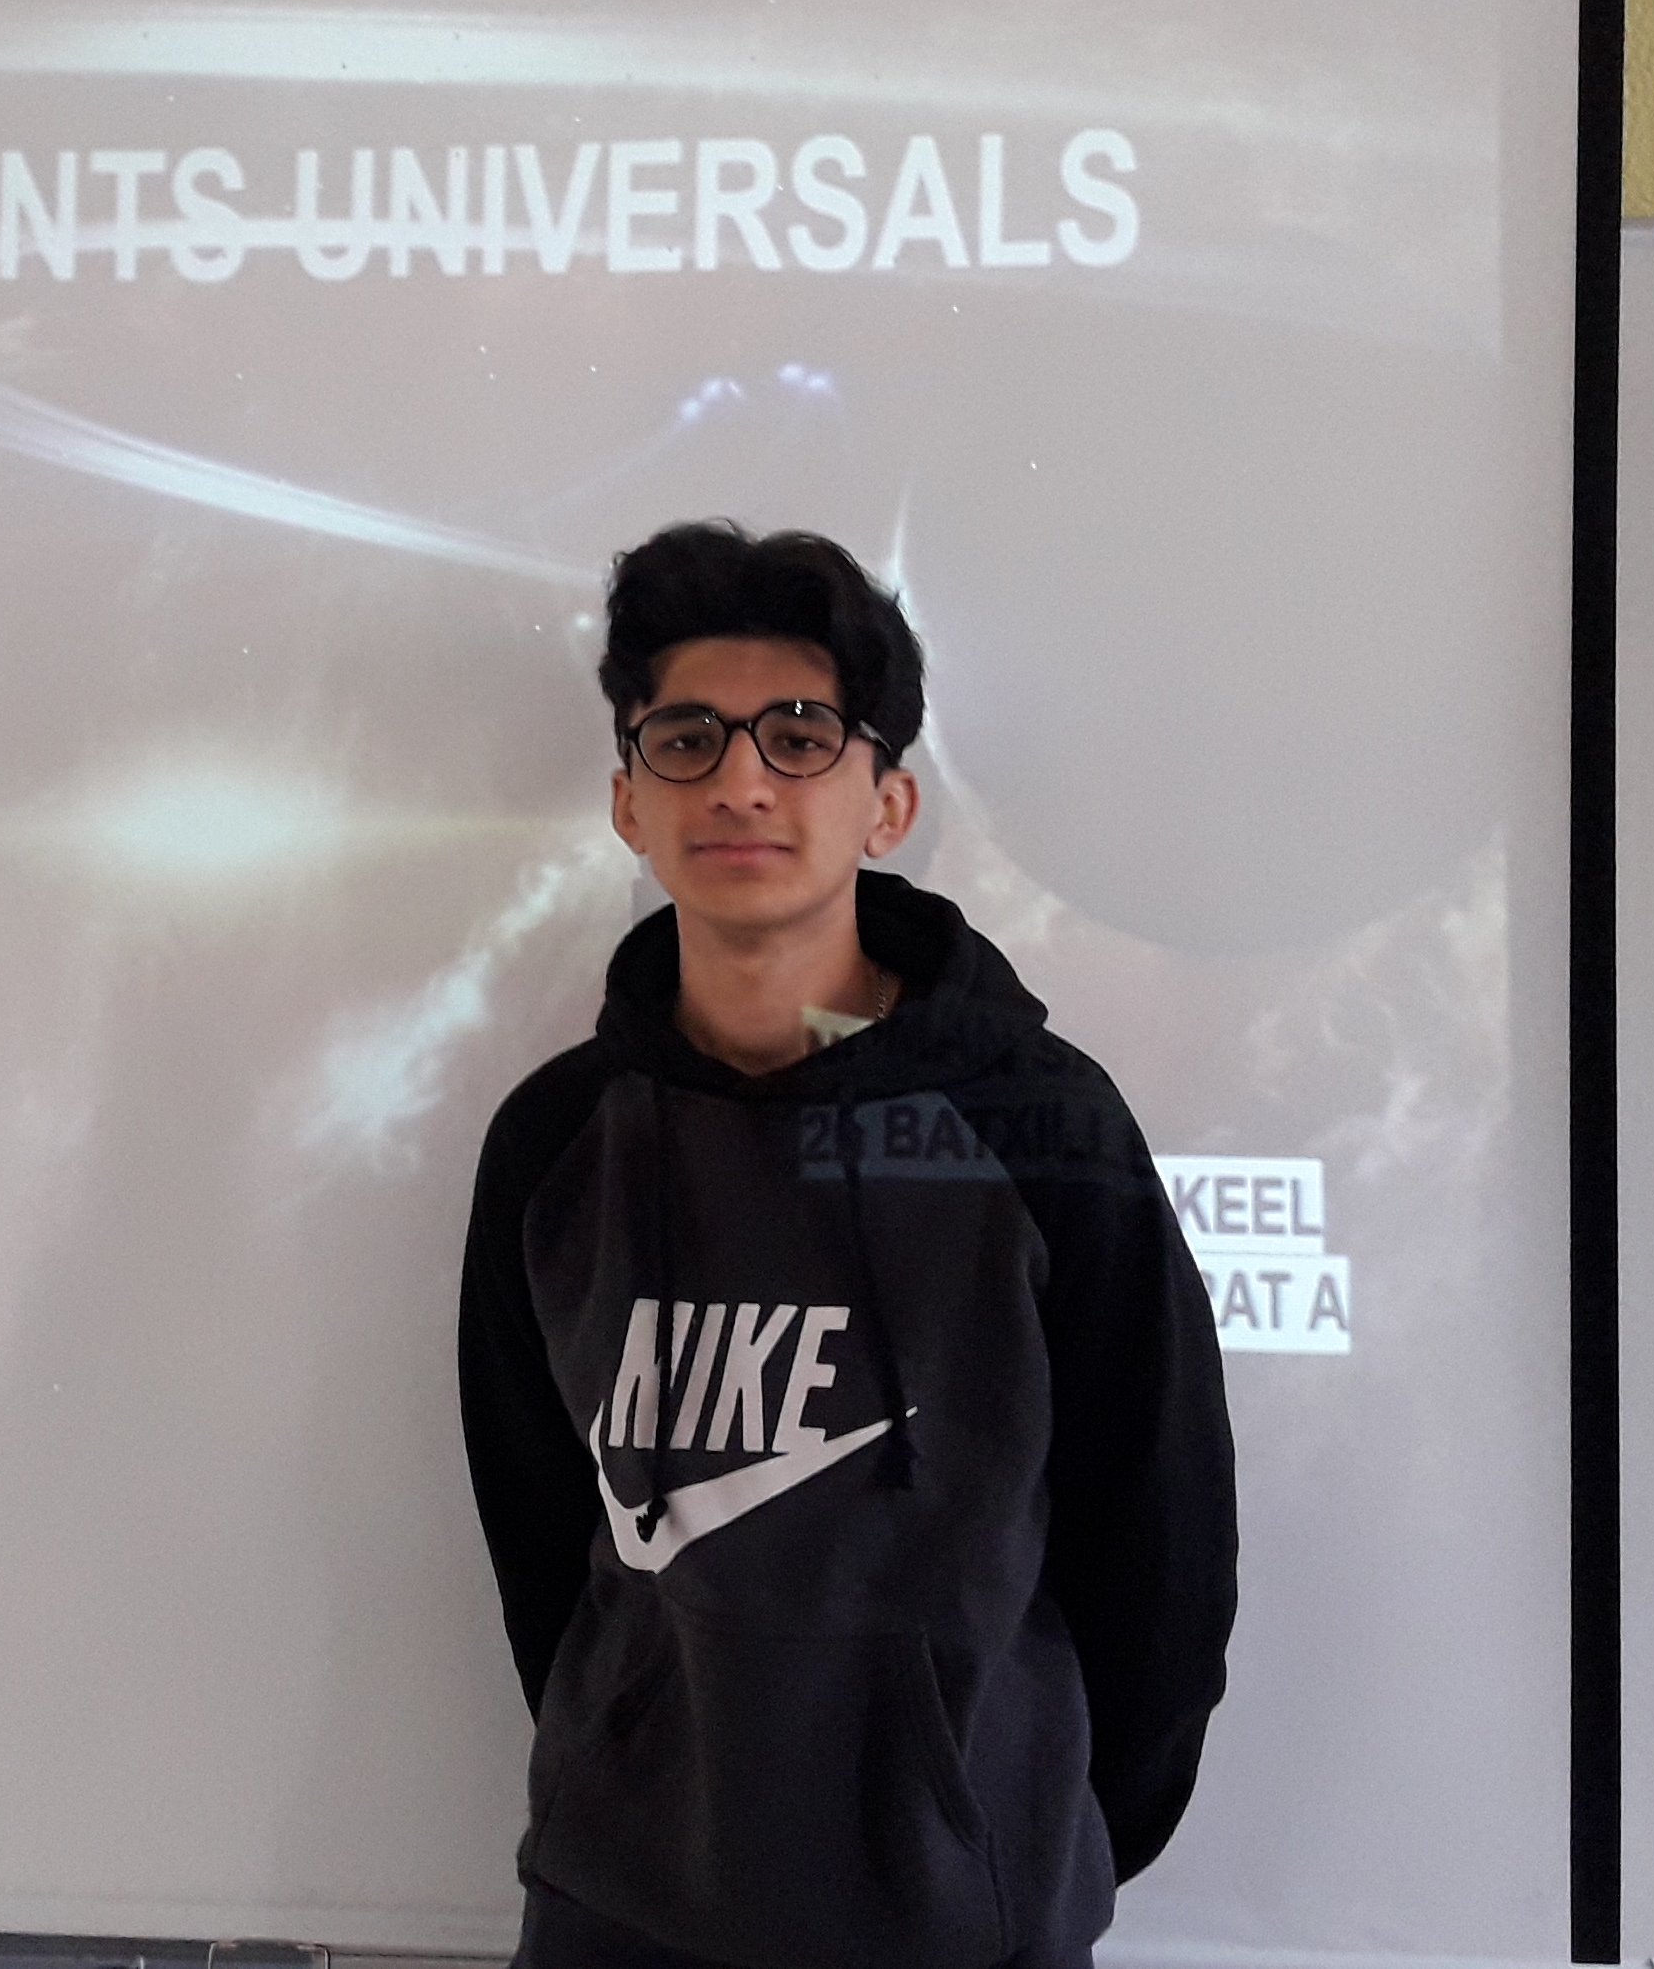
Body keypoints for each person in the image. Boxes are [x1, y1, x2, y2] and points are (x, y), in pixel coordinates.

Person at [456, 521, 1238, 1969]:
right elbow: (536, 1535)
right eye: (686, 738)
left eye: (801, 736)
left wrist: (1019, 1837)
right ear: (629, 801)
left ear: (889, 804)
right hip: (620, 1915)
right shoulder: (554, 1142)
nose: (740, 779)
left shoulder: (1037, 1126)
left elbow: (1160, 1536)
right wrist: (625, 1761)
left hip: (963, 1925)